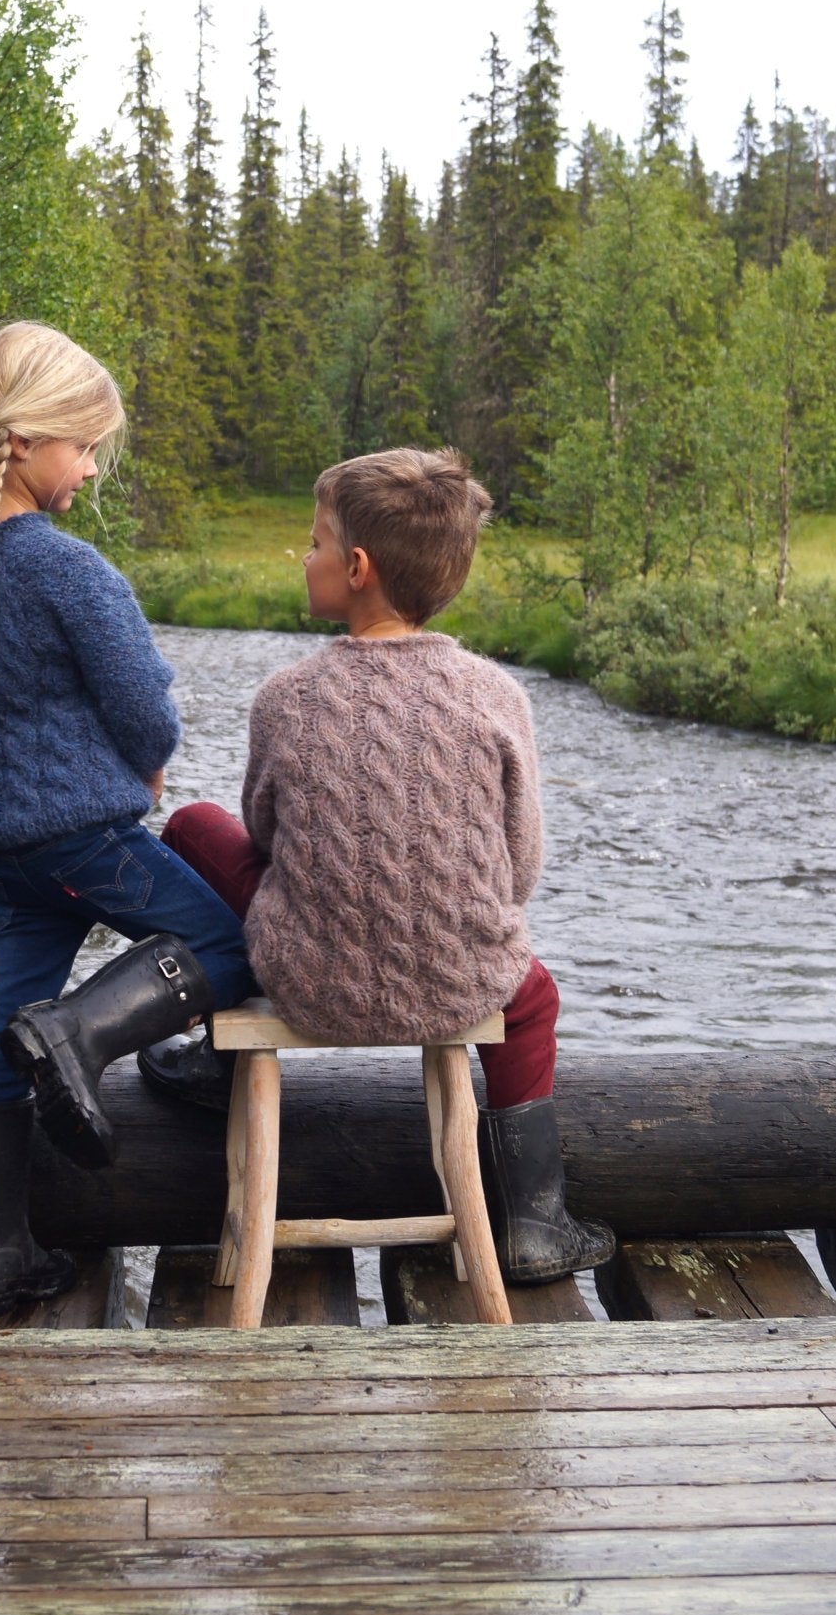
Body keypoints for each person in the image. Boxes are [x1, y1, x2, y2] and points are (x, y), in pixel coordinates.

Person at [139, 447, 614, 1285]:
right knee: (532, 997)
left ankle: (215, 1054)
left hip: (306, 973)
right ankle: (536, 1223)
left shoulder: (285, 696)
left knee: (191, 824)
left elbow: (262, 830)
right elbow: (520, 865)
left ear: (356, 569)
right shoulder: (496, 694)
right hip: (461, 973)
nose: (305, 556)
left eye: (315, 542)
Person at [0, 320, 255, 1316]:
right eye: (84, 443)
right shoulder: (67, 567)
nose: (93, 463)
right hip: (84, 840)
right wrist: (143, 758)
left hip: (9, 849)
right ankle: (80, 1034)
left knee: (0, 1031)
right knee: (231, 944)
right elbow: (145, 705)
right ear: (25, 442)